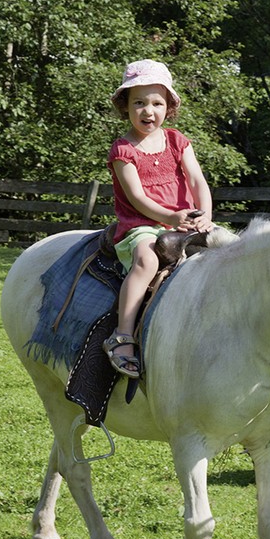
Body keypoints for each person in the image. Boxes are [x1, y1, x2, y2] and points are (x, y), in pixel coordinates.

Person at [103, 59, 214, 380]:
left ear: (169, 108)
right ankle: (123, 335)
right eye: (139, 102)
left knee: (228, 250)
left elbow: (197, 181)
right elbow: (137, 198)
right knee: (147, 259)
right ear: (126, 106)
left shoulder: (178, 141)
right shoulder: (124, 150)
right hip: (142, 226)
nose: (147, 111)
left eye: (156, 103)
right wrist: (172, 216)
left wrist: (204, 214)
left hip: (185, 221)